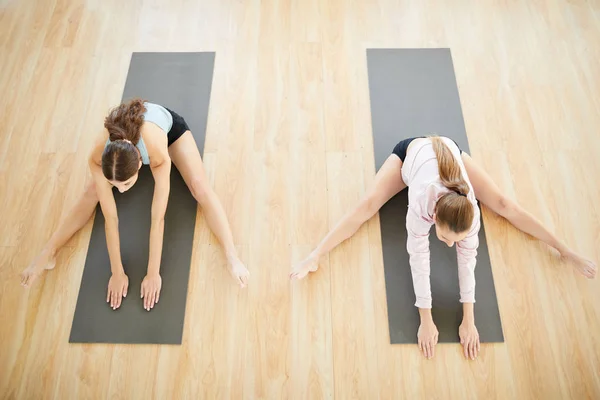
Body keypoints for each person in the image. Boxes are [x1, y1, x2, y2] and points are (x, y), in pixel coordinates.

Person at [290, 135, 597, 360]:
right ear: (434, 217)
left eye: (455, 239)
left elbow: (468, 262)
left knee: (504, 203)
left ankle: (565, 250)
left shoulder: (469, 214)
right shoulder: (421, 202)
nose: (451, 245)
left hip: (449, 153)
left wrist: (470, 318)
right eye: (448, 238)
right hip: (411, 155)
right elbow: (418, 261)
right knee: (367, 204)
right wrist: (426, 320)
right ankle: (315, 255)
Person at [21, 99, 250, 310]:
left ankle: (232, 255)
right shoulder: (98, 158)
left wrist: (153, 273)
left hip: (169, 132)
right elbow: (111, 217)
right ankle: (48, 252)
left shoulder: (158, 157)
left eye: (126, 184)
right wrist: (117, 272)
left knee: (199, 186)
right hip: (125, 145)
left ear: (140, 165)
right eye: (115, 185)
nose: (120, 190)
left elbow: (158, 218)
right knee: (91, 191)